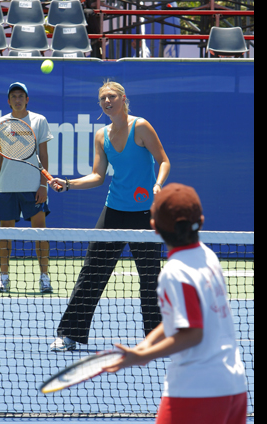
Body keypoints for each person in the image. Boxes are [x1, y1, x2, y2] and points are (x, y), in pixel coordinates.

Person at [102, 183, 248, 424]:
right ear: (200, 221)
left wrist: (143, 356)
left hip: (196, 393)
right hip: (234, 388)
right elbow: (182, 316)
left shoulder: (175, 272)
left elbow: (192, 333)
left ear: (153, 226)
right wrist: (146, 345)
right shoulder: (208, 256)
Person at [47, 80, 171, 352]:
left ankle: (157, 337)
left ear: (123, 98)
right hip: (113, 211)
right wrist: (68, 183)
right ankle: (69, 334)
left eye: (112, 96)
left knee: (150, 278)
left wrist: (159, 183)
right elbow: (97, 176)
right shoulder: (101, 136)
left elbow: (163, 160)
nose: (107, 101)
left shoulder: (141, 126)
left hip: (144, 214)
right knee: (92, 273)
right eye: (103, 98)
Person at [0, 82, 54, 294]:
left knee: (39, 232)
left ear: (27, 100)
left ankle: (44, 277)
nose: (17, 100)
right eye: (14, 96)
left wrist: (43, 184)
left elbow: (43, 155)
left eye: (21, 96)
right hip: (7, 187)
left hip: (33, 187)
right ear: (9, 101)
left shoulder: (39, 120)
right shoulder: (0, 123)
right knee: (5, 233)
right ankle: (3, 277)